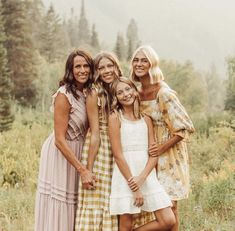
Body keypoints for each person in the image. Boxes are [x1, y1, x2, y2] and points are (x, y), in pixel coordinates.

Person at [129, 45, 195, 231]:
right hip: (147, 154)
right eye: (136, 60)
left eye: (144, 60)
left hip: (169, 156)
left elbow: (184, 128)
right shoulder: (137, 92)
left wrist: (161, 148)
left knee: (170, 208)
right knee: (153, 209)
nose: (139, 64)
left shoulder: (163, 93)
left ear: (152, 64)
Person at [34, 50, 96, 231]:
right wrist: (82, 169)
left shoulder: (89, 93)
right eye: (78, 66)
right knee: (61, 203)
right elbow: (59, 139)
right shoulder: (64, 95)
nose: (82, 70)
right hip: (61, 152)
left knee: (76, 203)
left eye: (86, 66)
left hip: (78, 151)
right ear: (70, 69)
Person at [108, 77, 176, 231]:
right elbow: (118, 155)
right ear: (116, 98)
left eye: (128, 89)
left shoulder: (146, 119)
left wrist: (143, 177)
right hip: (126, 176)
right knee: (126, 225)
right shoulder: (115, 118)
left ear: (134, 90)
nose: (125, 94)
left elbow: (153, 153)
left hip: (146, 175)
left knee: (168, 220)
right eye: (120, 92)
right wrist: (134, 186)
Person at [75, 51, 122, 231]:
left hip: (120, 148)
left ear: (117, 67)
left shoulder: (122, 89)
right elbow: (94, 132)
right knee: (98, 200)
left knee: (115, 200)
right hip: (101, 148)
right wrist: (88, 169)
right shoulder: (94, 93)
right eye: (101, 68)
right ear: (96, 71)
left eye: (110, 66)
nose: (106, 71)